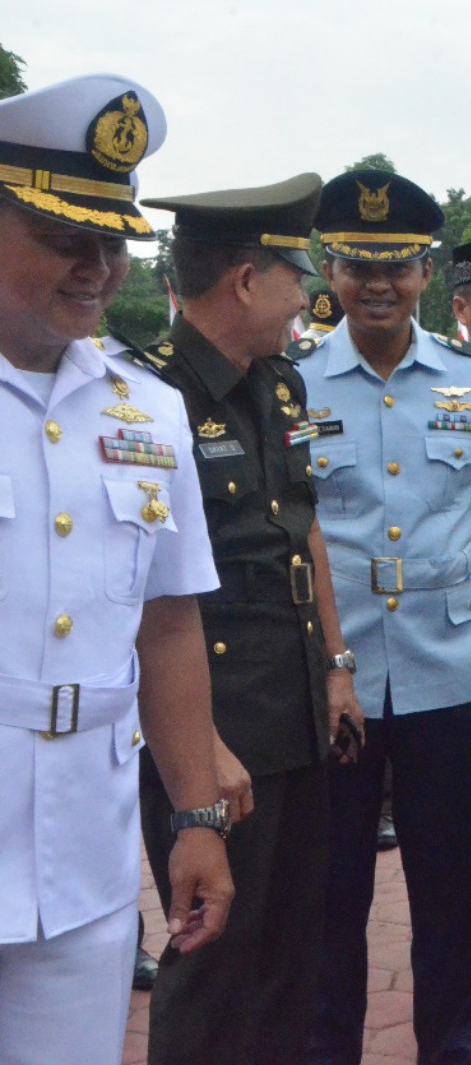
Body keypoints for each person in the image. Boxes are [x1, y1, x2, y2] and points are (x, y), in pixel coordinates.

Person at [0, 73, 232, 1065]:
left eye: (113, 241)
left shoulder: (149, 411)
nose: (98, 267)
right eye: (65, 238)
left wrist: (199, 815)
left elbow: (167, 621)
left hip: (83, 851)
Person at [126, 173, 365, 1065]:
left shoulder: (282, 386)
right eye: (296, 276)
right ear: (244, 281)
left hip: (294, 711)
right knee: (213, 956)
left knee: (288, 955)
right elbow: (148, 600)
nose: (307, 297)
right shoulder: (146, 401)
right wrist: (200, 752)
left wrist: (335, 665)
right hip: (211, 727)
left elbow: (302, 532)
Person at [291, 169, 471, 1065]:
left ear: (427, 271)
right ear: (328, 269)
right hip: (333, 672)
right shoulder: (293, 385)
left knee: (455, 876)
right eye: (356, 266)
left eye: (398, 268)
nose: (377, 286)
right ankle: (327, 1042)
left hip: (453, 662)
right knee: (331, 881)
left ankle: (452, 1037)